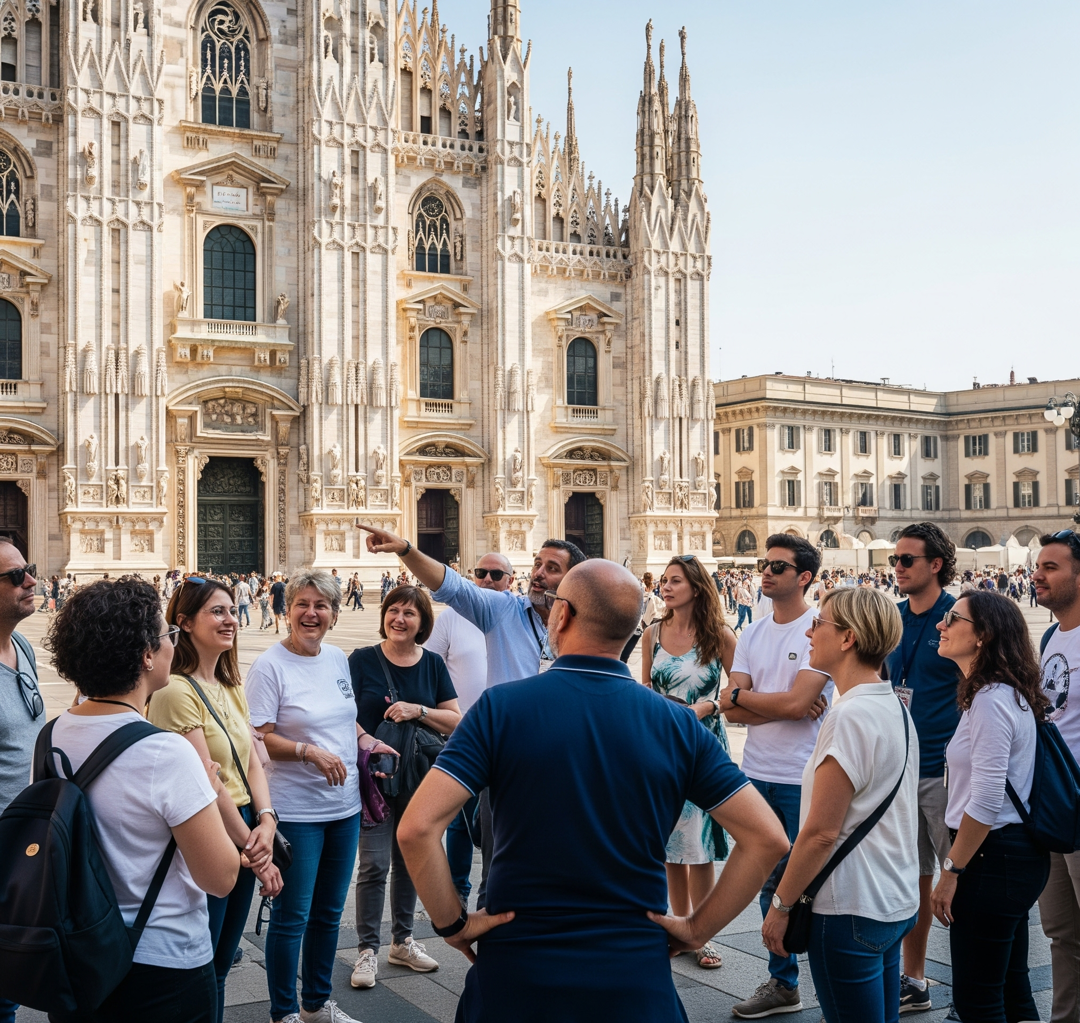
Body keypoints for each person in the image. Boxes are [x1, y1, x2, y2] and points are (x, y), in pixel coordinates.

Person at [395, 559, 791, 1022]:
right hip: (633, 978)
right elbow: (768, 839)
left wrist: (453, 924)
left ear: (561, 616)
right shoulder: (676, 723)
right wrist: (696, 929)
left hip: (517, 970)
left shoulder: (500, 709)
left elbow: (417, 829)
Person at [357, 523, 586, 909]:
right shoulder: (504, 610)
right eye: (537, 564)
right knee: (499, 863)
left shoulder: (585, 625)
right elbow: (453, 587)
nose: (539, 574)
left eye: (551, 568)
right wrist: (406, 550)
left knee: (560, 860)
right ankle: (486, 935)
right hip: (511, 758)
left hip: (568, 759)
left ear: (574, 581)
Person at [41, 577, 240, 1022]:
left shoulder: (52, 734)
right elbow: (221, 877)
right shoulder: (166, 753)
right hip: (161, 963)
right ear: (147, 655)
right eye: (167, 635)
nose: (173, 644)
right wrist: (206, 787)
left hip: (79, 953)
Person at [761, 587, 918, 1023]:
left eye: (819, 624)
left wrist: (781, 905)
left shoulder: (849, 716)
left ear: (848, 638)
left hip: (849, 905)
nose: (809, 632)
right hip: (893, 898)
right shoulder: (892, 701)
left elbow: (821, 832)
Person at [246, 570, 393, 1023]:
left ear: (333, 611)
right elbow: (256, 740)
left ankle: (315, 1004)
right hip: (295, 811)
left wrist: (367, 740)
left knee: (329, 914)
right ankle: (283, 1012)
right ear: (286, 610)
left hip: (344, 807)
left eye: (322, 605)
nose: (312, 613)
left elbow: (341, 720)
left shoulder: (334, 658)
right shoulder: (269, 666)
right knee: (292, 917)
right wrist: (307, 752)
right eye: (303, 605)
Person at [149, 577, 283, 1023]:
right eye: (217, 612)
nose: (230, 620)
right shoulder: (174, 691)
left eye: (231, 610)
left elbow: (249, 763)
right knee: (202, 961)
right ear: (183, 623)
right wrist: (256, 849)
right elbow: (206, 782)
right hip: (211, 827)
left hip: (245, 823)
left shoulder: (228, 684)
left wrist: (266, 819)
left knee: (222, 961)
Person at [718, 534, 831, 1018]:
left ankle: (830, 979)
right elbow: (729, 708)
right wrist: (782, 706)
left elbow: (793, 702)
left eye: (778, 567)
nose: (765, 572)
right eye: (765, 565)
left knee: (811, 881)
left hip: (802, 775)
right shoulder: (754, 633)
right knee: (769, 881)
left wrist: (756, 701)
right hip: (756, 771)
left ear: (804, 578)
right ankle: (783, 982)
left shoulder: (817, 630)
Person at [930, 592, 1051, 1023]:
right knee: (1012, 989)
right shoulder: (998, 693)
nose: (941, 625)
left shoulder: (992, 699)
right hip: (1008, 855)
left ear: (983, 635)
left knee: (977, 1000)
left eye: (952, 617)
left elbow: (985, 798)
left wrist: (951, 872)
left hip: (991, 857)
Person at [349, 585, 461, 990]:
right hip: (374, 778)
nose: (399, 618)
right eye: (393, 610)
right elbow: (343, 714)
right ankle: (366, 949)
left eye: (409, 613)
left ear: (422, 623)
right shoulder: (362, 660)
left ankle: (402, 941)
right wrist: (367, 740)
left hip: (419, 778)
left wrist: (420, 710)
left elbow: (455, 720)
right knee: (375, 864)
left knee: (411, 861)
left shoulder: (432, 664)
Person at [642, 554, 737, 969]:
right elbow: (644, 685)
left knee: (697, 840)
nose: (666, 587)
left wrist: (709, 706)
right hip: (661, 743)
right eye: (664, 580)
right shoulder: (652, 632)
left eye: (675, 580)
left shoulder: (720, 634)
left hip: (702, 743)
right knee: (669, 840)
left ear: (696, 587)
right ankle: (677, 923)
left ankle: (704, 932)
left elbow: (739, 690)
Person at [881, 522, 961, 1014]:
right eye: (895, 560)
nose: (897, 568)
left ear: (935, 564)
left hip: (946, 771)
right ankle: (914, 979)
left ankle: (976, 983)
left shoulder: (959, 617)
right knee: (912, 878)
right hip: (900, 769)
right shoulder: (892, 618)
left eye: (907, 559)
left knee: (960, 881)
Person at [424, 555, 508, 905]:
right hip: (463, 733)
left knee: (502, 819)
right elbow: (430, 665)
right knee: (459, 817)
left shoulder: (519, 618)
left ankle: (496, 892)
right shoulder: (453, 618)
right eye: (481, 573)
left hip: (508, 737)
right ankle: (458, 890)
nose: (487, 579)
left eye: (496, 574)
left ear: (510, 579)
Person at [1033, 529, 1080, 1023]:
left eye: (1051, 567)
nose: (1038, 574)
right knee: (1061, 931)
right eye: (1038, 565)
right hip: (1054, 803)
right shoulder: (1049, 636)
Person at [0, 543, 42, 1023]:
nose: (31, 581)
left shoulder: (24, 648)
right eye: (16, 577)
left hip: (26, 848)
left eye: (28, 570)